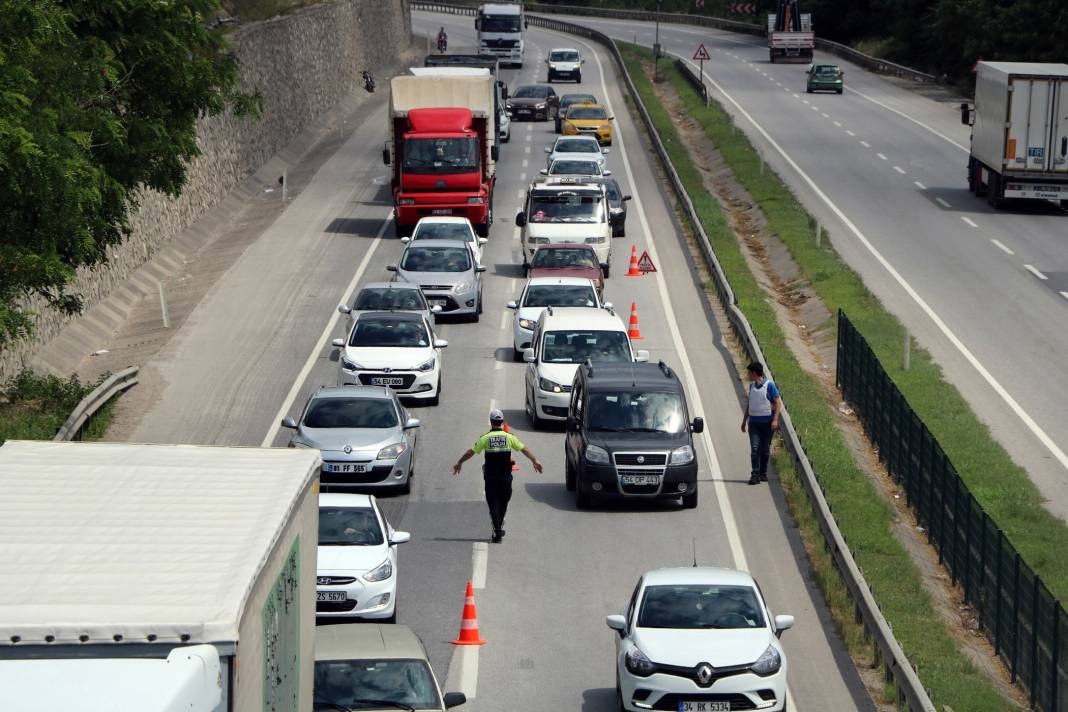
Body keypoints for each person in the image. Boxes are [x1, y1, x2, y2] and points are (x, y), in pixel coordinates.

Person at [453, 409, 543, 542]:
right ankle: (498, 528)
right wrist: (535, 460)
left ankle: (497, 528)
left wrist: (460, 462)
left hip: (491, 477)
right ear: (501, 422)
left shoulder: (485, 438)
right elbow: (524, 449)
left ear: (491, 422)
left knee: (493, 503)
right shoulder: (509, 437)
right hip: (506, 478)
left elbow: (470, 452)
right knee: (503, 502)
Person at [740, 361, 780, 485]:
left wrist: (775, 419)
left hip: (767, 424)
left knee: (764, 449)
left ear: (754, 373)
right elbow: (750, 405)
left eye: (749, 372)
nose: (748, 375)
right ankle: (755, 475)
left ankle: (763, 473)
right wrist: (744, 421)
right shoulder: (752, 387)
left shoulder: (769, 386)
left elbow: (778, 403)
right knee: (755, 449)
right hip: (754, 424)